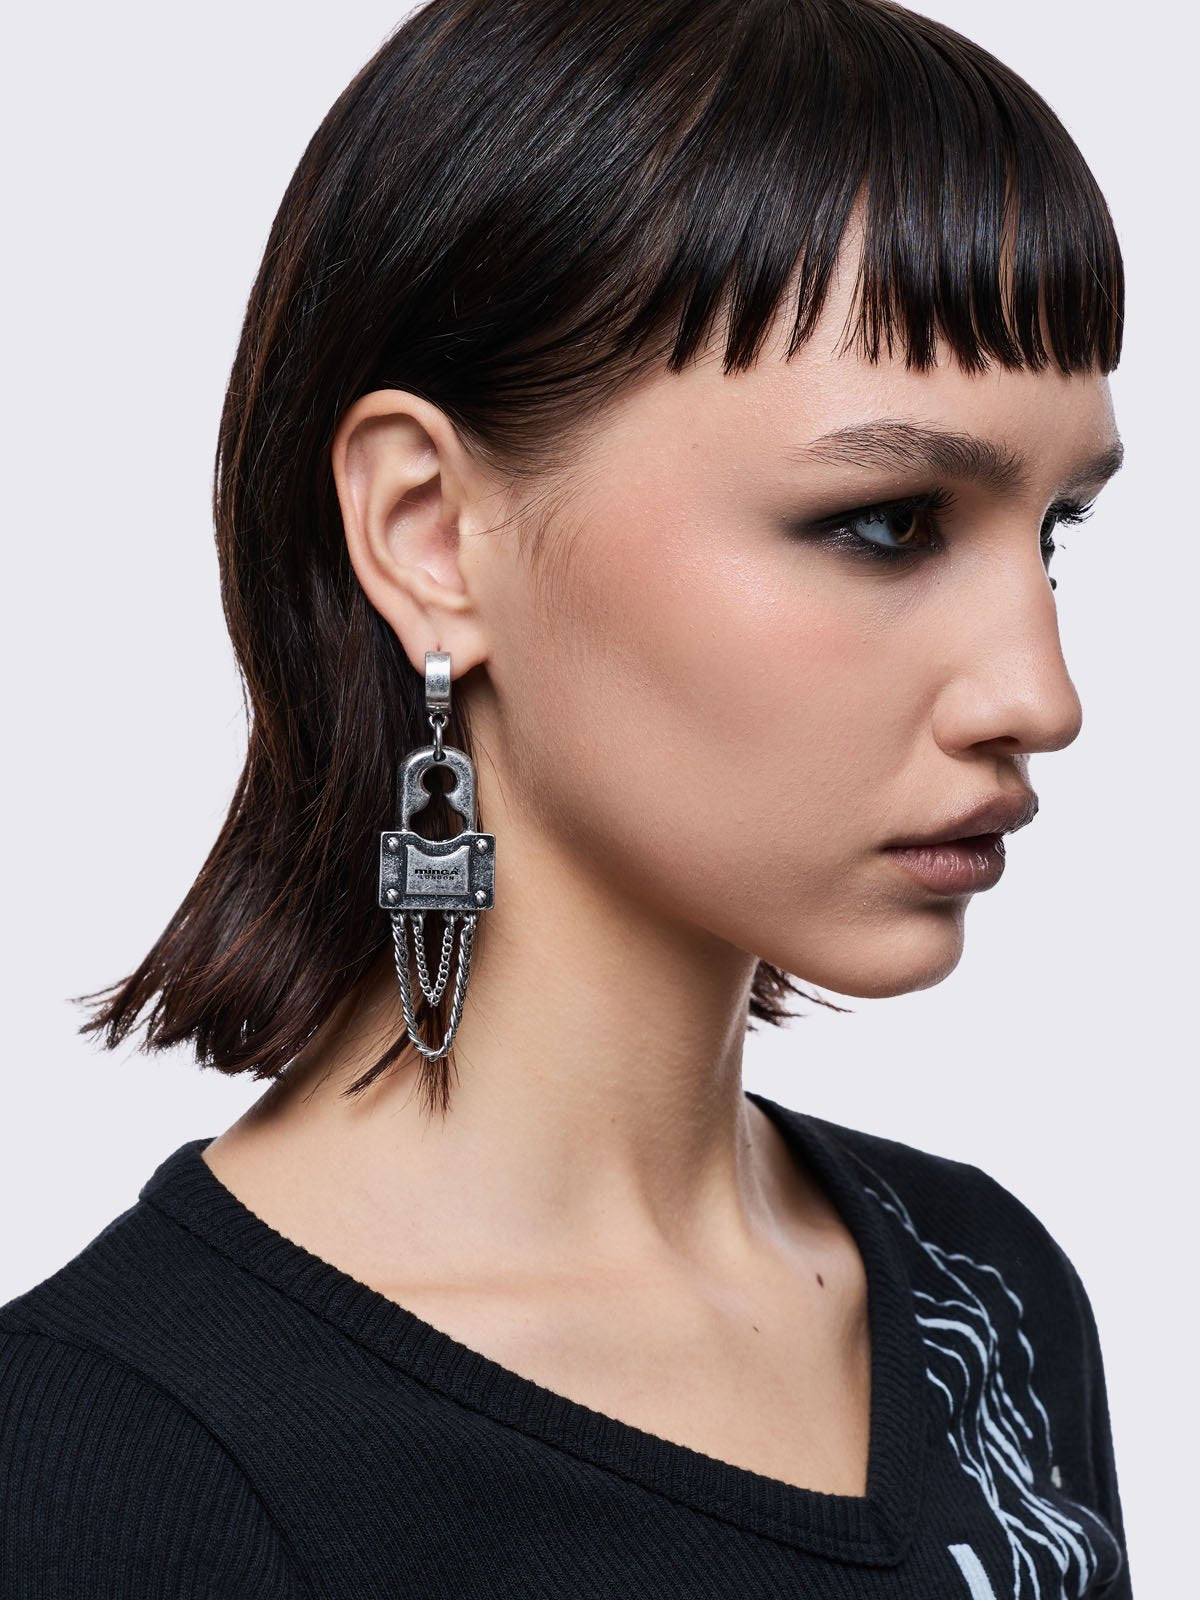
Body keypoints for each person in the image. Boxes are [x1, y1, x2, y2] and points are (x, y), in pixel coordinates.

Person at [0, 0, 1132, 1595]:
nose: (1041, 695)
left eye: (1055, 531)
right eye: (886, 522)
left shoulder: (984, 1291)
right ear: (429, 534)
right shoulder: (114, 1464)